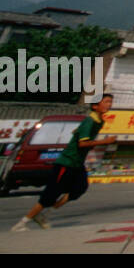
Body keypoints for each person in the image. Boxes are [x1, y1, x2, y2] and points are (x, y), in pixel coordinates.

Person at [12, 95, 118, 231]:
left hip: (77, 164)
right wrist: (105, 141)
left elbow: (81, 135)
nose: (109, 104)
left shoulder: (99, 122)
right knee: (50, 194)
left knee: (79, 188)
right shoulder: (90, 121)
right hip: (66, 162)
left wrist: (80, 133)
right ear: (95, 106)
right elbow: (82, 143)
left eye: (110, 102)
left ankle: (45, 215)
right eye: (106, 102)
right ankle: (22, 223)